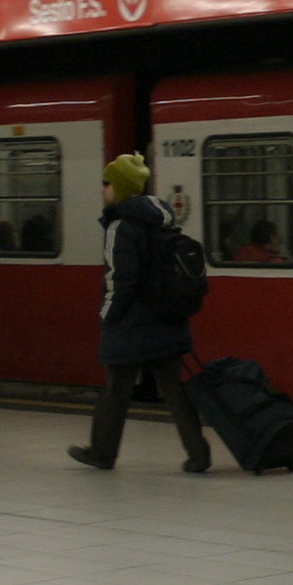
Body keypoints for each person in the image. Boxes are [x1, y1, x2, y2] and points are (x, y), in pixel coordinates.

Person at [71, 151, 212, 473]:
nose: (103, 189)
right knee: (174, 389)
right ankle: (198, 454)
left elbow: (119, 279)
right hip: (167, 316)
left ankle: (102, 453)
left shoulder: (121, 226)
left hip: (132, 322)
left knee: (116, 390)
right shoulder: (162, 220)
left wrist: (107, 315)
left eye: (107, 184)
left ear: (119, 188)